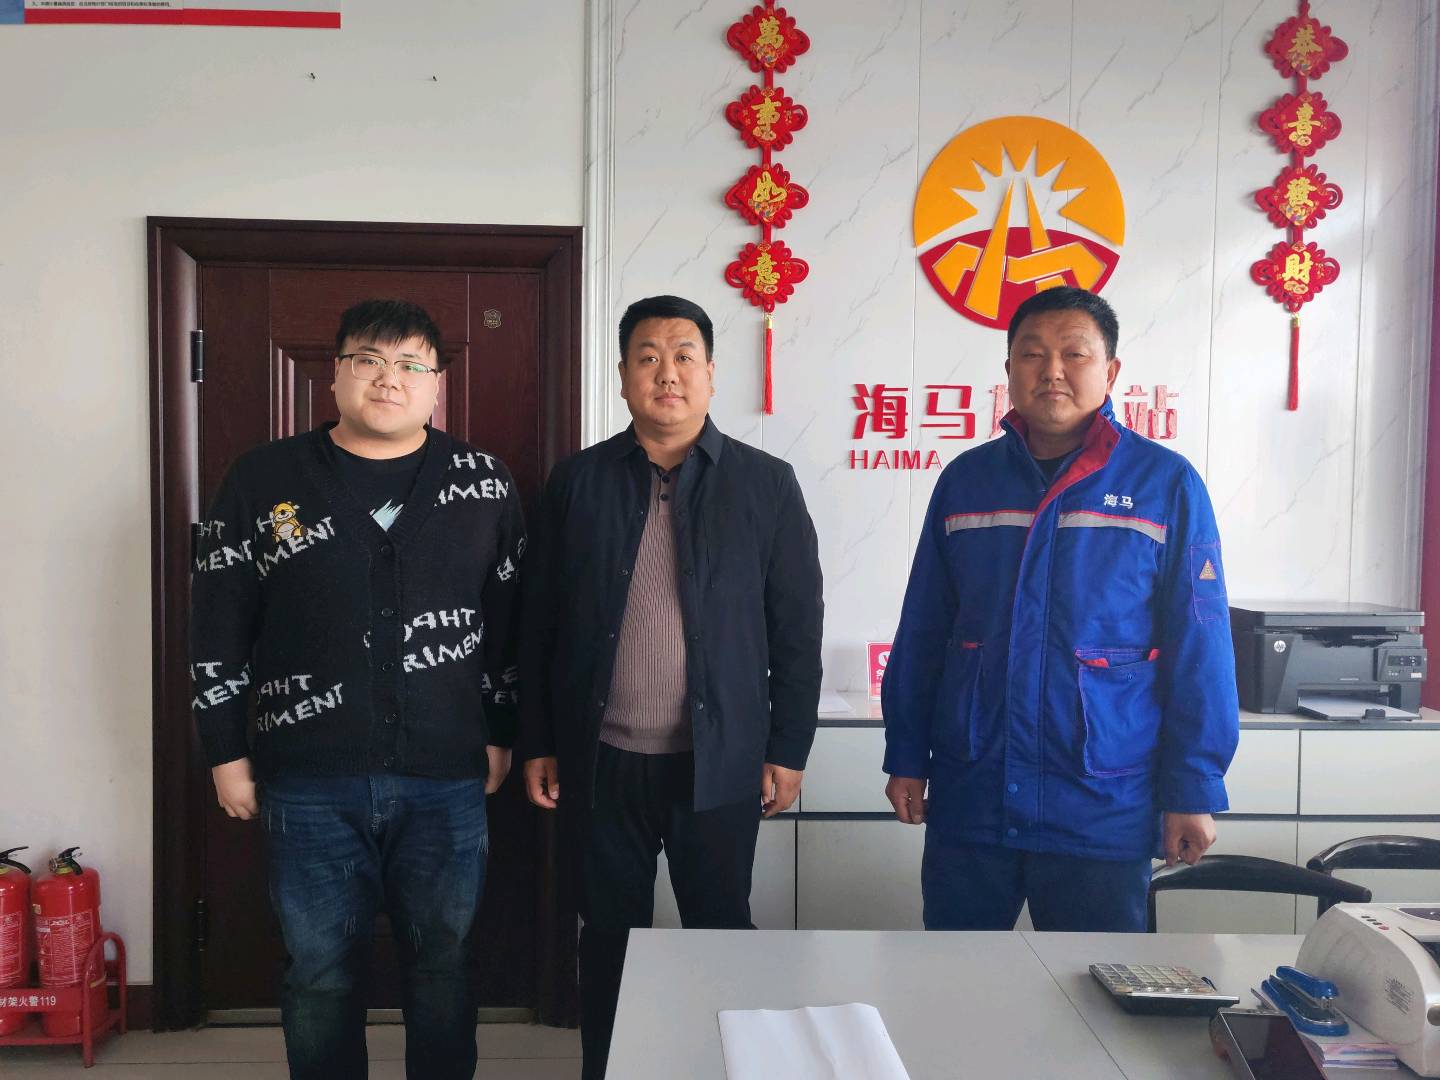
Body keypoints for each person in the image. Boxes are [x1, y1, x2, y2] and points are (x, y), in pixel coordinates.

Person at [190, 298, 525, 1079]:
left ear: (436, 383)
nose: (388, 379)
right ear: (335, 375)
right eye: (368, 360)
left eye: (410, 364)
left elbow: (510, 622)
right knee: (319, 973)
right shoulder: (263, 479)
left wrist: (502, 732)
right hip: (308, 778)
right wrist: (224, 753)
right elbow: (217, 623)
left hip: (446, 776)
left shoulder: (482, 482)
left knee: (443, 967)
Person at [516, 294, 823, 1078]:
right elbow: (538, 622)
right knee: (608, 936)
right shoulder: (577, 482)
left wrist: (788, 747)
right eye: (647, 357)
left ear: (712, 374)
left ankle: (727, 1066)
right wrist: (538, 739)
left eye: (684, 356)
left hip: (717, 761)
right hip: (602, 760)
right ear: (622, 376)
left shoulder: (765, 484)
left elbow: (796, 628)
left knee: (721, 931)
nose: (667, 373)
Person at [882, 286, 1238, 933]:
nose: (1052, 371)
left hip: (1101, 805)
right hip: (975, 794)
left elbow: (1200, 647)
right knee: (956, 980)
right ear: (1008, 368)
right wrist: (906, 752)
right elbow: (924, 630)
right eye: (1032, 354)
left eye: (1074, 354)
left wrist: (1193, 790)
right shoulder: (966, 482)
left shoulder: (1165, 484)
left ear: (1111, 371)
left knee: (1097, 983)